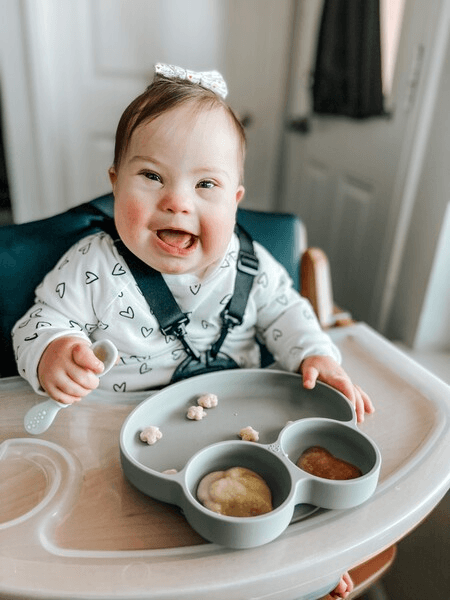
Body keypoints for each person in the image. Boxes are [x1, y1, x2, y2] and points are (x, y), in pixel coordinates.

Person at [13, 64, 373, 599]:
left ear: (235, 198)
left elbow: (286, 312)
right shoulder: (90, 267)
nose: (178, 201)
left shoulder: (250, 263)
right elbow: (39, 321)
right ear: (115, 182)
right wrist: (53, 352)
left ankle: (303, 561)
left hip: (243, 436)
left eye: (206, 184)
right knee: (127, 551)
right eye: (152, 177)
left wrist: (316, 355)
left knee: (283, 494)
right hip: (120, 448)